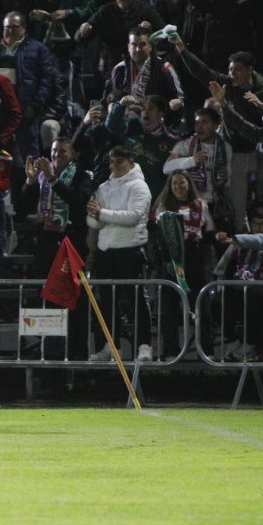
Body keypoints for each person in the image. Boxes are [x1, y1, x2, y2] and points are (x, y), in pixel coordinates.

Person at [85, 145, 154, 362]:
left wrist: (102, 214)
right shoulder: (104, 187)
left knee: (135, 300)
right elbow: (91, 219)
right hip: (105, 252)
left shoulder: (140, 187)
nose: (113, 166)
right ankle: (110, 346)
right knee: (106, 301)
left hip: (130, 250)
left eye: (119, 162)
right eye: (111, 162)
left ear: (131, 162)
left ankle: (144, 346)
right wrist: (98, 216)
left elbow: (133, 216)